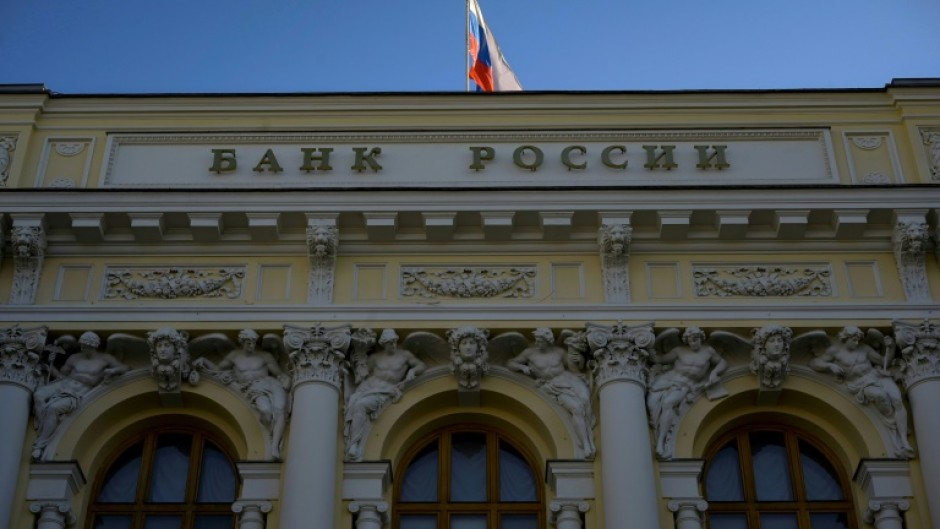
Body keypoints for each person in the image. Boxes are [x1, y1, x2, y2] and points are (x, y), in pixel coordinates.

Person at [810, 326, 913, 458]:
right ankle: (893, 425)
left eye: (858, 339)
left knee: (898, 401)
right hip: (860, 383)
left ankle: (904, 440)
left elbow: (883, 361)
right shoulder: (835, 351)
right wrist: (830, 365)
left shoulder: (864, 349)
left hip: (877, 376)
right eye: (853, 339)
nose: (856, 342)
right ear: (845, 338)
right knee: (879, 396)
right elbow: (814, 362)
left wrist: (891, 347)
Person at [32, 331, 129, 460]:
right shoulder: (75, 358)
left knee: (53, 408)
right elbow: (61, 376)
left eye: (86, 345)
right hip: (63, 384)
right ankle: (45, 427)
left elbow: (125, 368)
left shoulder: (105, 359)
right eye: (82, 345)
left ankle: (40, 445)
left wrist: (113, 370)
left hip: (78, 392)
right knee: (38, 395)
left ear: (93, 345)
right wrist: (49, 365)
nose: (83, 348)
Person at [194, 329, 289, 459]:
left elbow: (278, 373)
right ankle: (271, 433)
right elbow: (218, 369)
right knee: (265, 410)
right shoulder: (234, 356)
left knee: (279, 410)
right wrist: (204, 360)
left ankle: (274, 447)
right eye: (248, 342)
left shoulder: (264, 356)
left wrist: (286, 379)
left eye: (253, 342)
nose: (251, 345)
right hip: (253, 388)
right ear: (242, 342)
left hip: (271, 384)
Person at [507, 328, 596, 458]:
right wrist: (522, 367)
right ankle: (586, 445)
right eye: (537, 340)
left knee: (586, 404)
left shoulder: (559, 352)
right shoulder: (529, 353)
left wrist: (579, 360)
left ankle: (588, 439)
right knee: (576, 408)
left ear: (548, 341)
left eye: (541, 340)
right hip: (551, 386)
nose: (538, 343)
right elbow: (510, 363)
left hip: (569, 381)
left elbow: (574, 368)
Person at [344, 329, 426, 461]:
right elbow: (363, 375)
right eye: (389, 343)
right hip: (370, 387)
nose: (392, 345)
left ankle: (355, 443)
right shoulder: (375, 358)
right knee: (357, 405)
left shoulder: (404, 355)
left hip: (386, 390)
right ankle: (354, 444)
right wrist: (357, 363)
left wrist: (414, 371)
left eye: (394, 341)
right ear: (383, 344)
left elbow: (421, 365)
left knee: (361, 405)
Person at [646, 327, 727, 459]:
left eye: (695, 340)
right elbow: (661, 360)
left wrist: (714, 372)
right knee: (651, 404)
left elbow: (723, 362)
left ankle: (661, 441)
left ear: (701, 338)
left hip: (685, 385)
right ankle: (658, 430)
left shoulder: (708, 351)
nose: (693, 343)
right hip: (666, 379)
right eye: (690, 340)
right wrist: (649, 352)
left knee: (668, 403)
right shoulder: (679, 351)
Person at [448, 326, 489, 390]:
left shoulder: (481, 359)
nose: (468, 347)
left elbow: (485, 355)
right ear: (457, 347)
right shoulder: (456, 359)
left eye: (472, 343)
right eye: (464, 343)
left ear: (478, 347)